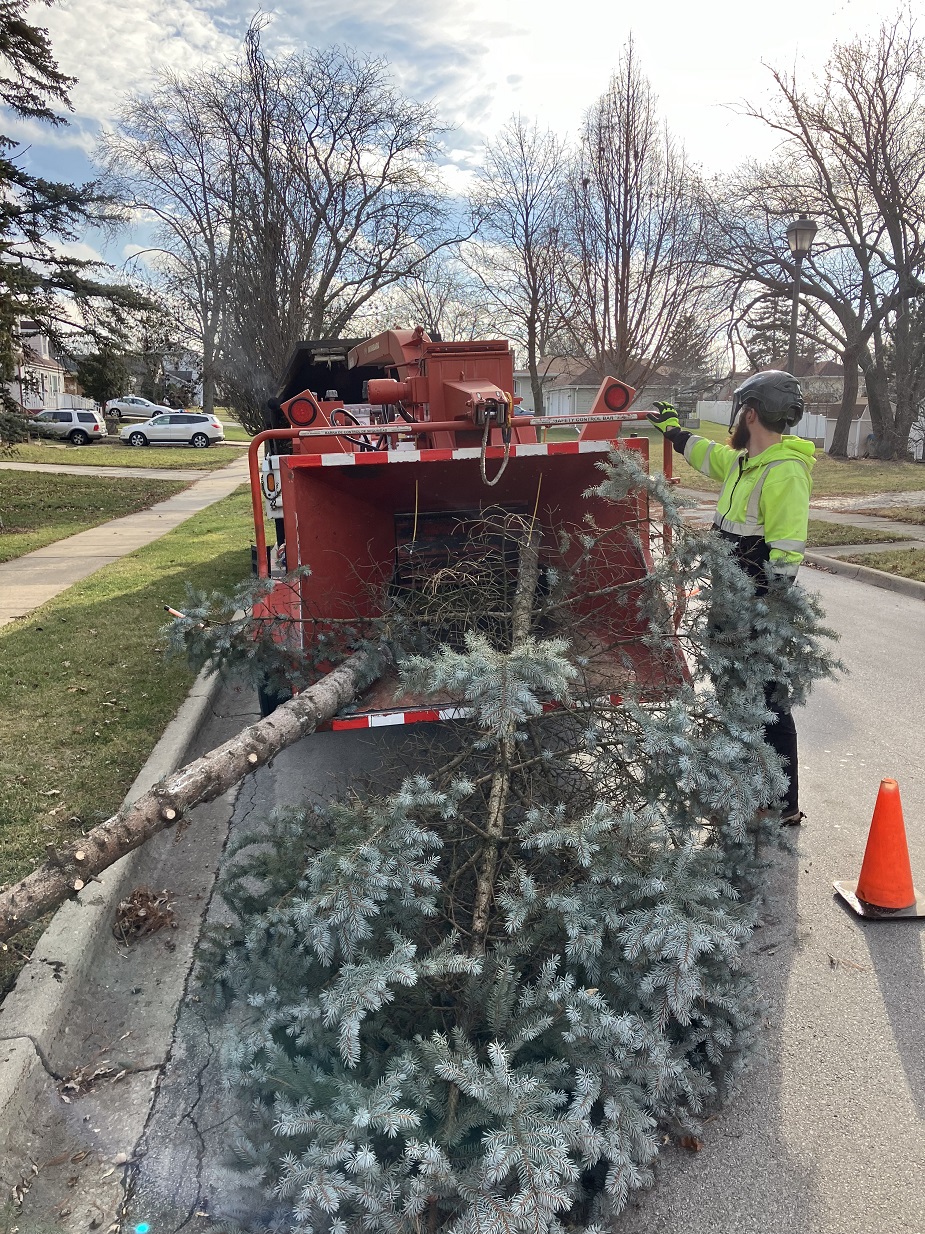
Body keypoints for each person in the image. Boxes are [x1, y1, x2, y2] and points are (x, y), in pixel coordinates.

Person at [648, 371, 815, 825]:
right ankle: (746, 789)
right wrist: (673, 431)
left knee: (766, 701)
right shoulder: (745, 464)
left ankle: (782, 805)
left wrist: (765, 616)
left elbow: (785, 554)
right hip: (729, 604)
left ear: (752, 413)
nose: (736, 418)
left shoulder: (784, 472)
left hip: (758, 609)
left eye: (740, 409)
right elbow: (708, 455)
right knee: (733, 698)